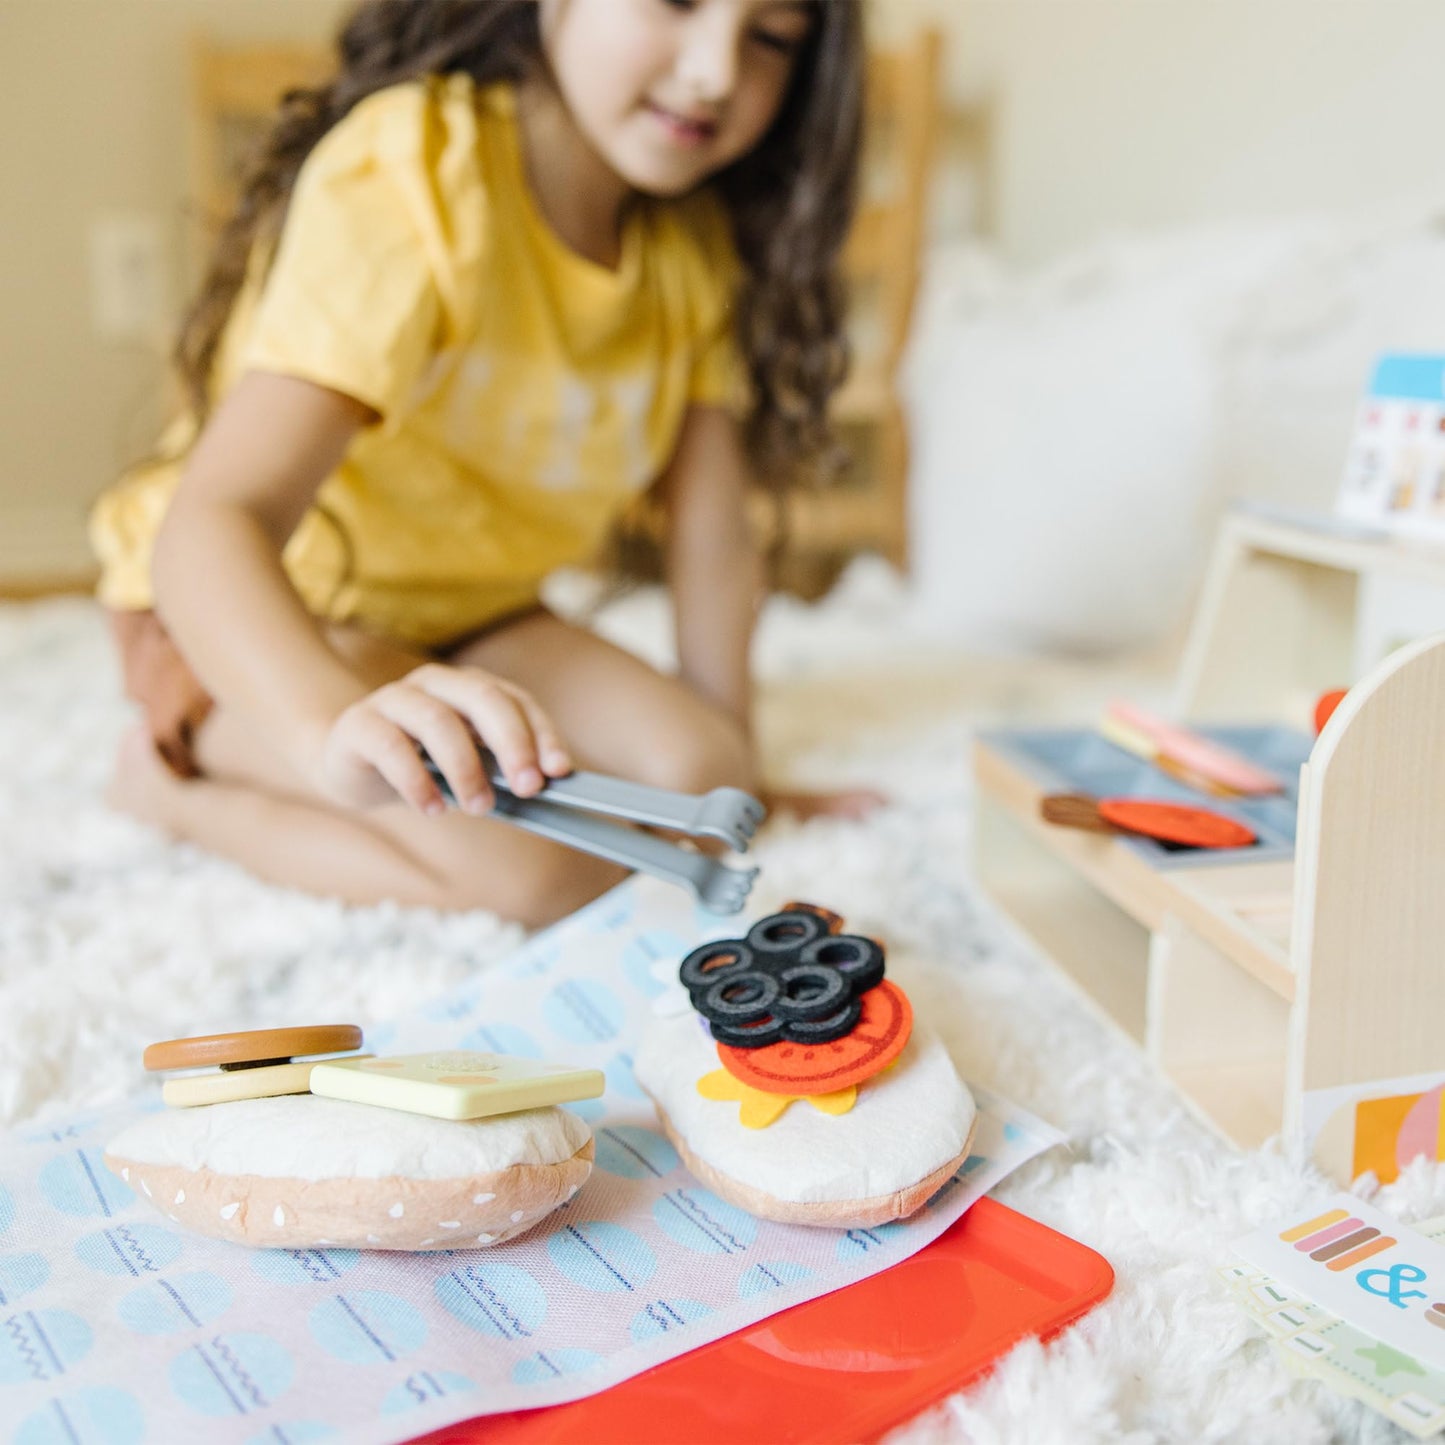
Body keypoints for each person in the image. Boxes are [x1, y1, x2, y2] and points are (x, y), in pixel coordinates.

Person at [91, 0, 877, 927]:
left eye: (771, 39)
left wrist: (736, 769)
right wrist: (328, 727)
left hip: (472, 613)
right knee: (545, 877)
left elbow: (711, 533)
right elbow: (217, 521)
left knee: (699, 773)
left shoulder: (688, 246)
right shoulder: (419, 167)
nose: (715, 72)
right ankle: (168, 791)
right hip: (248, 614)